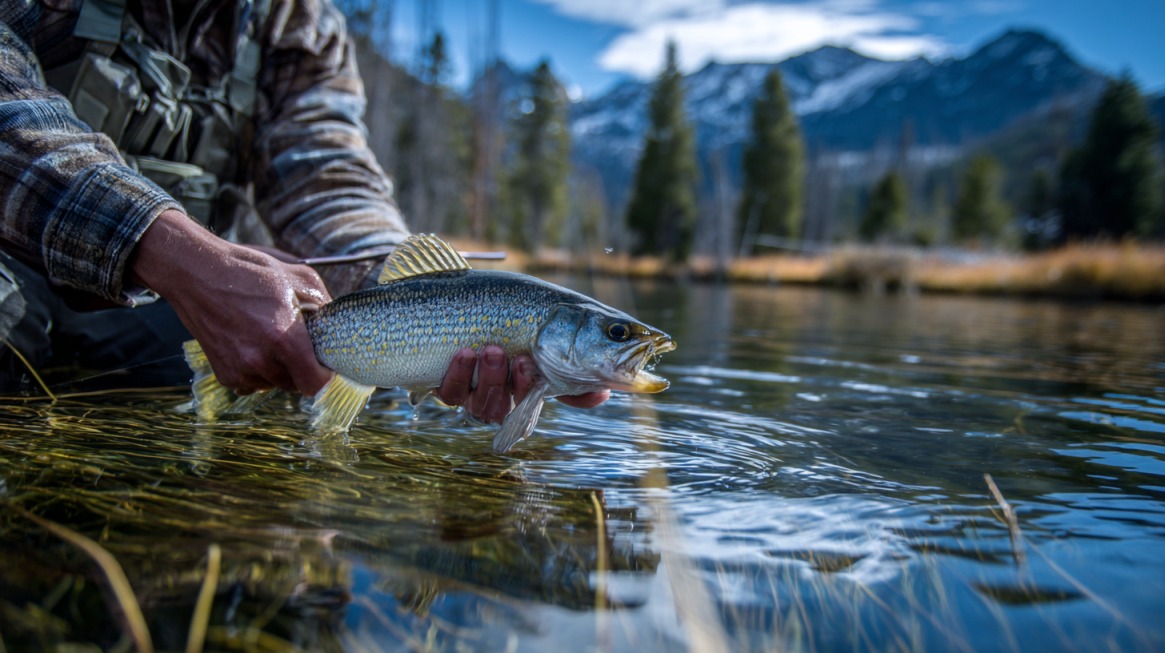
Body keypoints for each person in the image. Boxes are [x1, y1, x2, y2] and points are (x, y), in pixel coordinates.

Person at [0, 0, 607, 420]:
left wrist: (414, 301)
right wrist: (168, 250)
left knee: (270, 388)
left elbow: (324, 174)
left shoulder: (297, 21)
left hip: (165, 301)